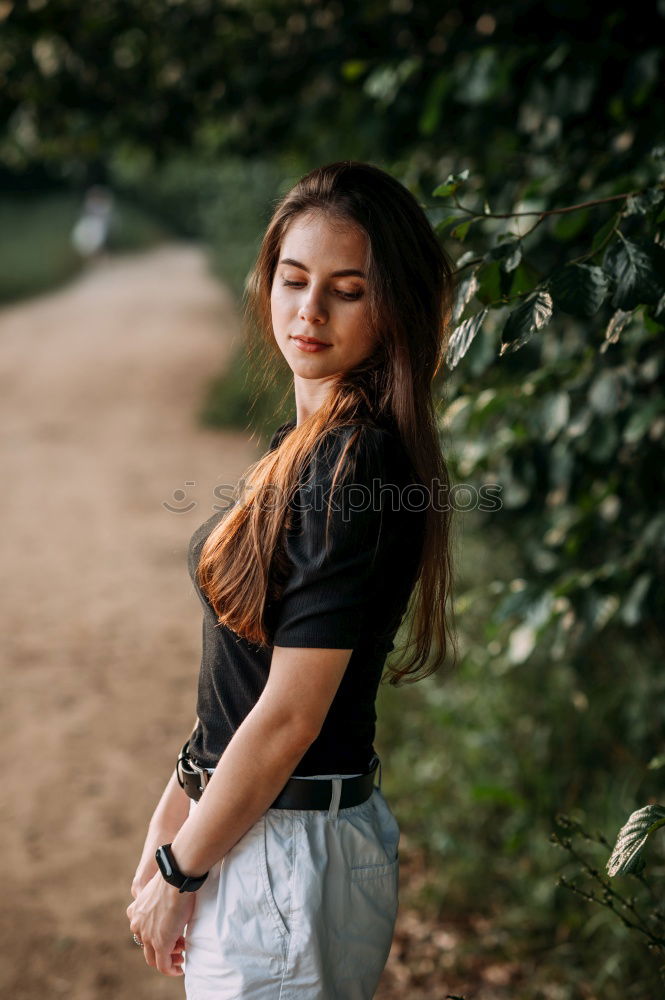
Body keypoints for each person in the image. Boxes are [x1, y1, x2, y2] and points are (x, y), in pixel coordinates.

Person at [126, 160, 459, 999]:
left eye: (346, 290)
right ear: (267, 279)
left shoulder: (355, 465)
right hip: (257, 830)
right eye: (293, 278)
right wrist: (180, 805)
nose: (308, 311)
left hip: (281, 846)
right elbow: (241, 675)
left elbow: (290, 716)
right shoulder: (306, 446)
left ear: (394, 308)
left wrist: (181, 868)